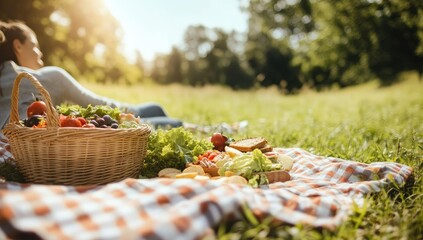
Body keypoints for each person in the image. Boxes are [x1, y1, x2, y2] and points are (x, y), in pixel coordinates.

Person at [0, 20, 183, 134]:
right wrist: (129, 112)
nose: (39, 53)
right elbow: (97, 104)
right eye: (34, 45)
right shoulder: (47, 77)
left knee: (156, 110)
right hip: (106, 126)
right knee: (170, 120)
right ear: (18, 46)